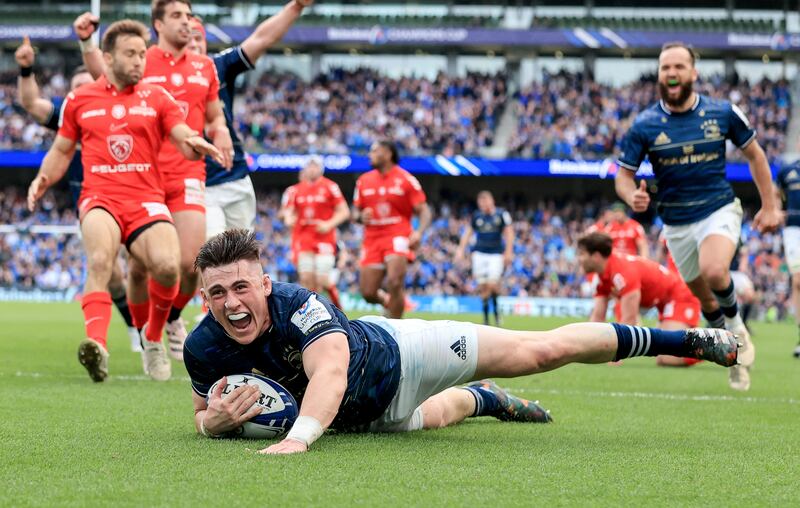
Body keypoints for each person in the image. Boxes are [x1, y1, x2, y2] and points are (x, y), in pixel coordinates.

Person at [184, 229, 739, 455]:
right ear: (202, 296)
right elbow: (201, 414)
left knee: (540, 351)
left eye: (241, 287)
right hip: (359, 419)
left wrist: (300, 439)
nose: (232, 303)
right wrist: (215, 422)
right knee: (450, 412)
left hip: (401, 356)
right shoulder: (203, 347)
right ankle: (488, 399)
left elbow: (328, 372)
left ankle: (689, 337)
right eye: (216, 293)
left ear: (263, 282)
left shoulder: (296, 303)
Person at [26, 19, 223, 382]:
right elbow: (61, 148)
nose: (139, 61)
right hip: (100, 197)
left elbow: (180, 133)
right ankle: (97, 346)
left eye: (142, 54)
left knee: (168, 267)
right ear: (107, 58)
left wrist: (193, 144)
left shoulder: (157, 97)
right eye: (130, 54)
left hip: (147, 199)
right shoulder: (80, 99)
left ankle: (152, 338)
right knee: (101, 260)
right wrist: (43, 177)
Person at [75, 0, 234, 365]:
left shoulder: (205, 66)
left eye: (189, 16)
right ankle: (145, 333)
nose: (187, 23)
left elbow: (214, 115)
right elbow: (104, 77)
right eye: (177, 15)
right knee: (140, 267)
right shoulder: (141, 59)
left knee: (190, 263)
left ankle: (171, 319)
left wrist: (220, 132)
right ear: (158, 24)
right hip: (142, 176)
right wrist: (87, 44)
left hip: (186, 172)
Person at [615, 41, 781, 391]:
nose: (671, 73)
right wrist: (633, 196)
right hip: (676, 224)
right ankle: (732, 354)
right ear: (659, 75)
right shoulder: (644, 124)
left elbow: (756, 156)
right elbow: (623, 176)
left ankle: (737, 328)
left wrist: (769, 205)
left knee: (715, 269)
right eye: (665, 68)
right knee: (705, 298)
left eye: (678, 66)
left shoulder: (723, 113)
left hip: (718, 209)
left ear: (694, 73)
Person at [14, 36, 142, 353]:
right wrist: (27, 69)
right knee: (110, 273)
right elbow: (32, 104)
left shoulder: (127, 107)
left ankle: (160, 325)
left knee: (146, 267)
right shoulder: (71, 112)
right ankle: (133, 329)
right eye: (78, 86)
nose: (84, 91)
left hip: (136, 199)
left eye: (90, 82)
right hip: (93, 206)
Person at [184, 0, 312, 241]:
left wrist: (296, 6)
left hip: (234, 175)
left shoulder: (216, 67)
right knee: (214, 250)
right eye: (187, 38)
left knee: (242, 256)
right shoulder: (159, 75)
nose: (193, 44)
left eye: (198, 39)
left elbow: (260, 40)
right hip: (196, 181)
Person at [578, 232, 703, 368]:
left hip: (679, 295)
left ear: (596, 256)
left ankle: (710, 345)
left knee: (667, 359)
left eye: (582, 254)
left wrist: (616, 355)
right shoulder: (602, 277)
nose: (579, 259)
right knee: (663, 357)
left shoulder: (622, 272)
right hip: (662, 300)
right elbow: (597, 318)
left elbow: (629, 319)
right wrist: (584, 350)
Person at [353, 140, 431, 318]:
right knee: (368, 292)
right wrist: (359, 217)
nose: (369, 155)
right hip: (372, 238)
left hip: (398, 235)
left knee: (395, 281)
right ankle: (389, 302)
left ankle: (396, 332)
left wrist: (419, 232)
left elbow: (424, 209)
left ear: (388, 154)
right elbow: (355, 212)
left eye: (374, 151)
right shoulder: (363, 181)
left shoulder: (406, 180)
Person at [281, 157, 349, 307]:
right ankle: (315, 313)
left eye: (315, 166)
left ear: (321, 168)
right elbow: (288, 211)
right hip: (304, 239)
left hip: (325, 239)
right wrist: (288, 218)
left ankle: (339, 308)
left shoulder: (330, 187)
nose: (312, 168)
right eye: (309, 165)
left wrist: (329, 224)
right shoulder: (296, 190)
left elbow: (344, 211)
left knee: (322, 280)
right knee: (306, 279)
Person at [455, 190, 514, 326]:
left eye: (485, 201)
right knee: (483, 287)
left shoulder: (501, 214)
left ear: (491, 201)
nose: (483, 205)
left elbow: (509, 233)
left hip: (495, 254)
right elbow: (468, 233)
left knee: (492, 285)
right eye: (480, 202)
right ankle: (487, 318)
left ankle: (496, 313)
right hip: (479, 254)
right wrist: (460, 249)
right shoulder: (477, 216)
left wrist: (508, 252)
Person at [775, 159, 800, 357]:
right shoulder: (788, 170)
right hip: (793, 230)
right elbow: (775, 191)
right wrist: (775, 209)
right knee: (798, 281)